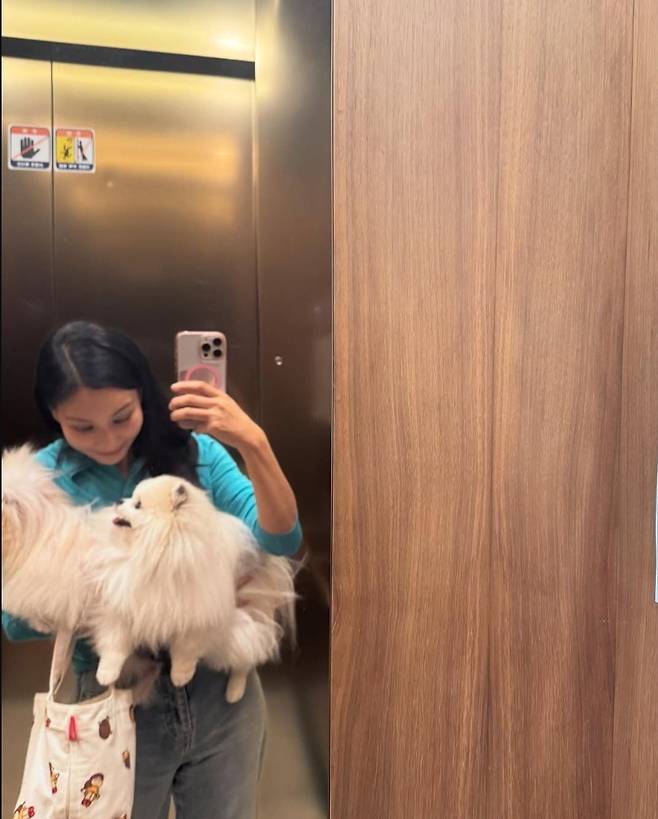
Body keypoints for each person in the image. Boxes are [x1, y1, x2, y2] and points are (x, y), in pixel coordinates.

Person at [2, 320, 302, 819]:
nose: (107, 439)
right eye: (82, 427)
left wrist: (254, 443)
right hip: (112, 702)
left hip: (220, 698)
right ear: (54, 415)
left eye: (122, 417)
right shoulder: (36, 488)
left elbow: (281, 539)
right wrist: (109, 592)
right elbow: (14, 622)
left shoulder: (197, 451)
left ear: (142, 392)